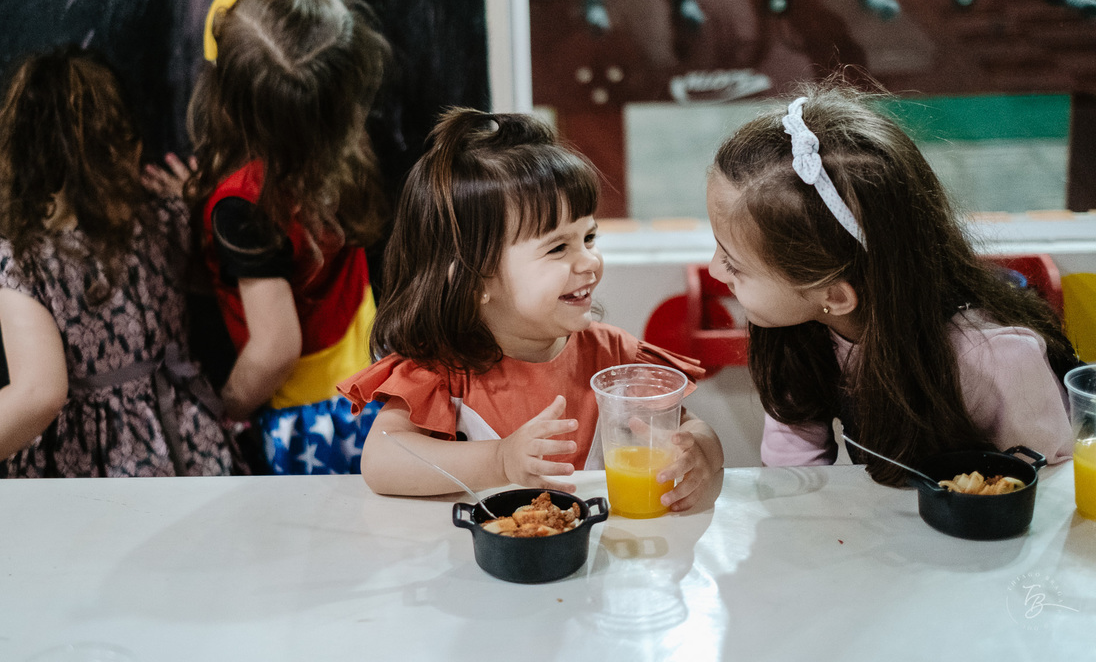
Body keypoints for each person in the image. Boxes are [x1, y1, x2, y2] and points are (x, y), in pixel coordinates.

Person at [338, 108, 724, 512]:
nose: (589, 261)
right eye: (559, 248)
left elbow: (689, 428)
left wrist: (701, 453)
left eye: (589, 238)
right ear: (476, 282)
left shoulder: (614, 358)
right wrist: (499, 459)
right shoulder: (441, 371)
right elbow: (381, 460)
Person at [706, 80, 1079, 485]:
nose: (714, 270)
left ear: (834, 294)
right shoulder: (795, 332)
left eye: (733, 263)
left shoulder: (998, 360)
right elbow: (792, 472)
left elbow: (1052, 495)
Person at [0, 46, 242, 479]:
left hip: (91, 467)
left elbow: (39, 393)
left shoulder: (20, 263)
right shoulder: (165, 220)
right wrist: (193, 208)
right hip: (188, 446)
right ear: (129, 146)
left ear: (21, 159)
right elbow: (214, 285)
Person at [185, 0, 390, 473]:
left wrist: (226, 406)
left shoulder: (243, 207)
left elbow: (275, 348)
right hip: (372, 370)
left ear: (228, 96)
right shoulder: (336, 150)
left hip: (311, 418)